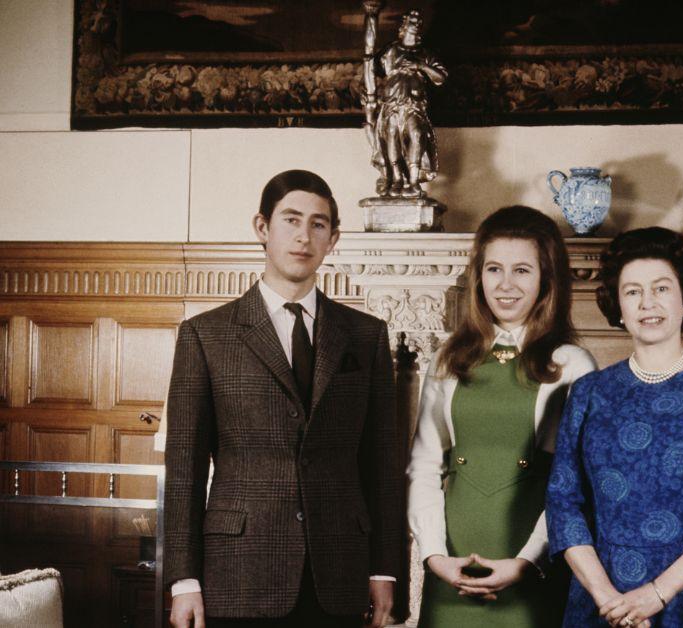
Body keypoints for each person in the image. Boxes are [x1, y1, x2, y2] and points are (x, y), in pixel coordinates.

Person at [164, 170, 405, 627]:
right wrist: (183, 581)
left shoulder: (365, 336)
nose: (303, 236)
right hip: (238, 571)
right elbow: (184, 469)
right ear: (262, 228)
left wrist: (384, 569)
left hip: (339, 572)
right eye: (291, 220)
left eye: (318, 224)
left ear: (333, 238)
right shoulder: (205, 335)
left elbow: (382, 464)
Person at [546, 227, 683, 628]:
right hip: (598, 600)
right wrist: (608, 599)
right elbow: (563, 503)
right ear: (619, 308)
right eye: (632, 292)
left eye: (661, 288)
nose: (648, 303)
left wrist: (657, 593)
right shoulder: (590, 393)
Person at [407, 205, 596, 627]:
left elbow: (575, 484)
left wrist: (527, 561)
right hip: (452, 563)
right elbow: (423, 466)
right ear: (478, 277)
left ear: (547, 279)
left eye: (522, 271)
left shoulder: (573, 364)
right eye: (494, 269)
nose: (505, 285)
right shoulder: (447, 358)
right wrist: (435, 556)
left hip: (529, 562)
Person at [364, 8, 447, 198]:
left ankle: (413, 181)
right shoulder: (390, 51)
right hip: (392, 104)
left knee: (417, 135)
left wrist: (421, 66)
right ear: (403, 26)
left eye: (418, 22)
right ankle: (396, 179)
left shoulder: (425, 53)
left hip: (414, 105)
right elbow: (370, 64)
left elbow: (441, 78)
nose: (416, 24)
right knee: (391, 139)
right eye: (412, 21)